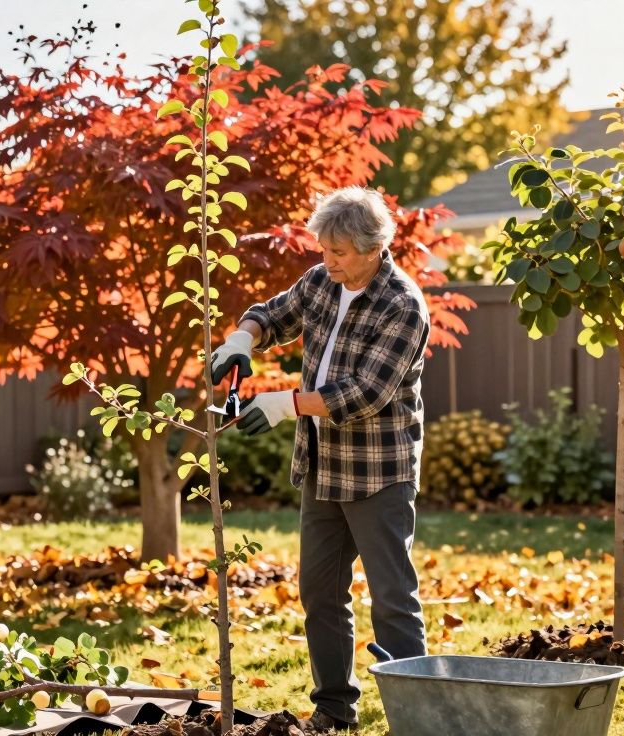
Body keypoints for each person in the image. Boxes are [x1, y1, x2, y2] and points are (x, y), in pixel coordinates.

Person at [209, 186, 429, 731]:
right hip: (322, 466)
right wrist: (241, 339)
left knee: (392, 598)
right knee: (320, 592)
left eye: (339, 252)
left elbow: (366, 393)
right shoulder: (321, 281)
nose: (328, 261)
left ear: (373, 248)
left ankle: (418, 718)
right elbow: (272, 314)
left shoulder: (402, 305)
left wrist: (285, 404)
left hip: (378, 472)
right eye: (324, 249)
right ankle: (334, 709)